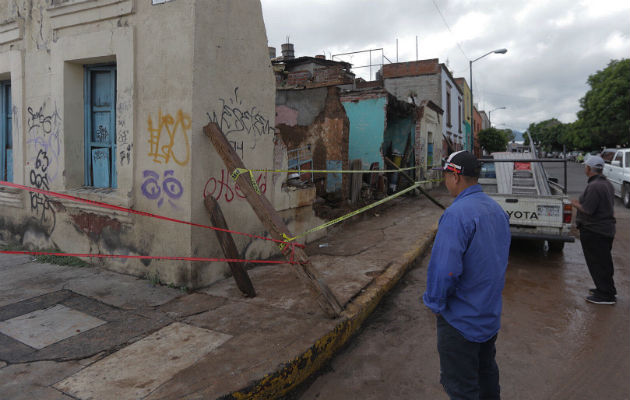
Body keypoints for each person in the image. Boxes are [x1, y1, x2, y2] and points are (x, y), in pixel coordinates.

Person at [423, 150, 511, 400]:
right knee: (486, 377)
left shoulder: (456, 215)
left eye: (446, 176)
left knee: (462, 388)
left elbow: (445, 271)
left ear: (456, 177)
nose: (445, 181)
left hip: (460, 321)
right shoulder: (496, 211)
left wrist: (435, 303)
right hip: (488, 316)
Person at [571, 155, 617, 305]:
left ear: (589, 169)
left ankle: (605, 295)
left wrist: (574, 204)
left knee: (598, 263)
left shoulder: (595, 186)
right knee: (603, 262)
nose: (585, 168)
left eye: (585, 166)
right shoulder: (606, 184)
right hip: (604, 229)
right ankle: (606, 289)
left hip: (595, 231)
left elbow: (588, 210)